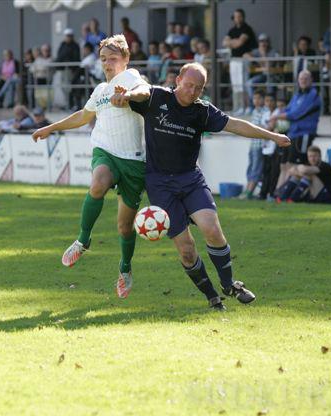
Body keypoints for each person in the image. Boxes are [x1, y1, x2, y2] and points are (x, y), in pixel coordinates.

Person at [111, 62, 291, 310]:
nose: (192, 92)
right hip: (160, 184)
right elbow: (140, 92)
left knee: (212, 229)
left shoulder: (202, 111)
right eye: (189, 85)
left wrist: (272, 136)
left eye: (198, 88)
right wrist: (127, 94)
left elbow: (235, 124)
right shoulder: (156, 97)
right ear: (177, 81)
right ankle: (212, 296)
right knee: (186, 250)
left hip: (190, 179)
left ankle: (229, 285)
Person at [32, 35, 149, 299]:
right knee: (98, 183)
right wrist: (51, 128)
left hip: (133, 159)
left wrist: (129, 96)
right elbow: (83, 116)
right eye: (104, 59)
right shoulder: (100, 90)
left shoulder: (131, 78)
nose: (108, 64)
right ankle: (83, 240)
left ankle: (125, 268)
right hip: (105, 151)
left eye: (113, 59)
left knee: (124, 227)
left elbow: (146, 92)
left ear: (126, 59)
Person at [269, 70, 321, 193]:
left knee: (292, 166)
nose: (303, 80)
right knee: (284, 165)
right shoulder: (297, 95)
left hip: (303, 135)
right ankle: (277, 193)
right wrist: (276, 116)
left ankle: (284, 194)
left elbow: (296, 114)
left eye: (306, 78)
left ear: (311, 80)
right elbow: (288, 109)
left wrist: (276, 117)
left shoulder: (313, 95)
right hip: (292, 134)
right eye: (301, 78)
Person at [222, 9, 257, 115]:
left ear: (243, 17)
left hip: (243, 59)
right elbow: (224, 43)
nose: (238, 18)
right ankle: (238, 107)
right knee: (236, 85)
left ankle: (246, 106)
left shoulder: (247, 28)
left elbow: (239, 43)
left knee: (243, 84)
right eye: (236, 16)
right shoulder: (232, 30)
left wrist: (231, 42)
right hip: (234, 60)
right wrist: (234, 42)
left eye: (239, 16)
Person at [242, 90, 267, 199]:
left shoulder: (265, 111)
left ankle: (249, 192)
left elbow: (264, 128)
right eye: (254, 98)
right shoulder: (254, 111)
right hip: (253, 144)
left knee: (256, 169)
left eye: (258, 98)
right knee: (250, 168)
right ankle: (247, 190)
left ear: (263, 99)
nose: (256, 101)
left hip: (260, 145)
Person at [245, 33, 279, 109]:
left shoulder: (272, 51)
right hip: (262, 76)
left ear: (268, 42)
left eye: (265, 41)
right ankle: (254, 105)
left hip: (272, 75)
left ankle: (269, 107)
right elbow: (245, 55)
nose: (263, 43)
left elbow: (268, 66)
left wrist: (263, 54)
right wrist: (257, 60)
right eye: (261, 41)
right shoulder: (256, 51)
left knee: (269, 84)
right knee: (249, 83)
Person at [56, 28, 82, 111]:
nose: (68, 38)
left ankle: (70, 105)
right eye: (67, 36)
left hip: (71, 70)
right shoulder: (62, 45)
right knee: (63, 87)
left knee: (69, 88)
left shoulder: (75, 45)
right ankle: (67, 104)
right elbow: (60, 56)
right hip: (62, 70)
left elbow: (76, 57)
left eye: (70, 36)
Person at [260, 93, 277, 201]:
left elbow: (269, 128)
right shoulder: (265, 114)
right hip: (265, 146)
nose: (269, 103)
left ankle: (271, 193)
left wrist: (266, 130)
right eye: (267, 101)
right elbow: (262, 127)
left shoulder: (277, 113)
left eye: (271, 100)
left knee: (273, 172)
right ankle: (263, 194)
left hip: (275, 147)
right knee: (265, 172)